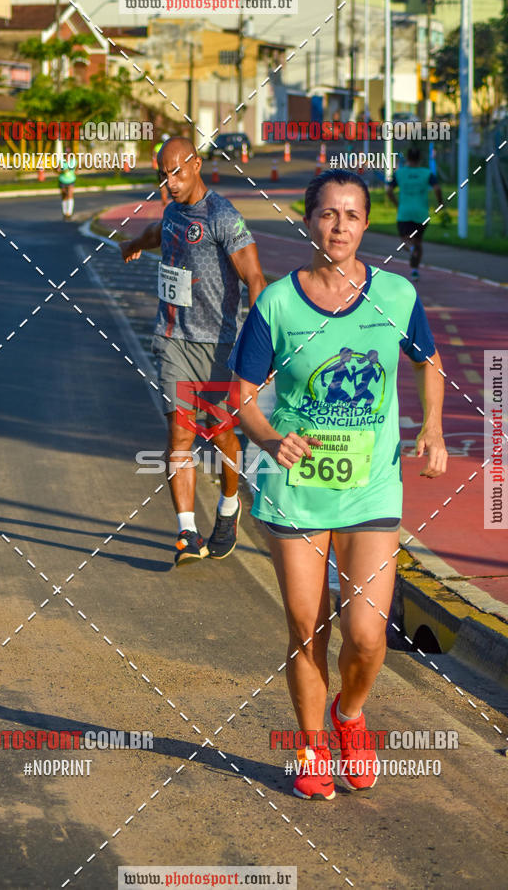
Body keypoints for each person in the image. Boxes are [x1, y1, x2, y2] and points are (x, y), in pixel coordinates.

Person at [229, 169, 447, 799]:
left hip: (370, 488)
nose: (340, 225)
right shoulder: (277, 303)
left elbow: (428, 361)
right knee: (307, 626)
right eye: (328, 213)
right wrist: (270, 439)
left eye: (352, 215)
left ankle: (349, 716)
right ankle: (311, 748)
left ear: (366, 223)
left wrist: (431, 425)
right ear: (309, 220)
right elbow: (242, 395)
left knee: (367, 634)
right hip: (294, 486)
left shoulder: (397, 297)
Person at [120, 136, 266, 566]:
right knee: (180, 435)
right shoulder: (171, 212)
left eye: (177, 173)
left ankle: (228, 506)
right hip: (173, 341)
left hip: (219, 345)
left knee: (222, 435)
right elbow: (156, 233)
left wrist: (261, 347)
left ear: (197, 165)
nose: (171, 182)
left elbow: (255, 278)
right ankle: (186, 531)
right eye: (163, 175)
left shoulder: (223, 216)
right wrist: (133, 245)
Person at [386, 146, 443, 281]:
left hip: (404, 212)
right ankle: (415, 270)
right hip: (421, 213)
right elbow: (437, 188)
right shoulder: (427, 173)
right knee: (418, 242)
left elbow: (388, 191)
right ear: (420, 159)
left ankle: (411, 250)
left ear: (408, 158)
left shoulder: (399, 173)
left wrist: (397, 204)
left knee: (405, 240)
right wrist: (440, 203)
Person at [57, 148, 76, 220]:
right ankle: (65, 213)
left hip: (71, 180)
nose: (67, 155)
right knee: (64, 195)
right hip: (62, 180)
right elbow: (57, 170)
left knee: (70, 194)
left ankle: (69, 213)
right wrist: (61, 171)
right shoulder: (61, 161)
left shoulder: (74, 161)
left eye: (68, 153)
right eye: (66, 153)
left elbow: (76, 169)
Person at [152, 134, 170, 208]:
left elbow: (154, 156)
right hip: (168, 168)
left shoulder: (157, 146)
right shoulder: (170, 146)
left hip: (160, 169)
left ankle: (164, 199)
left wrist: (154, 163)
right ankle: (168, 199)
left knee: (162, 185)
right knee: (169, 184)